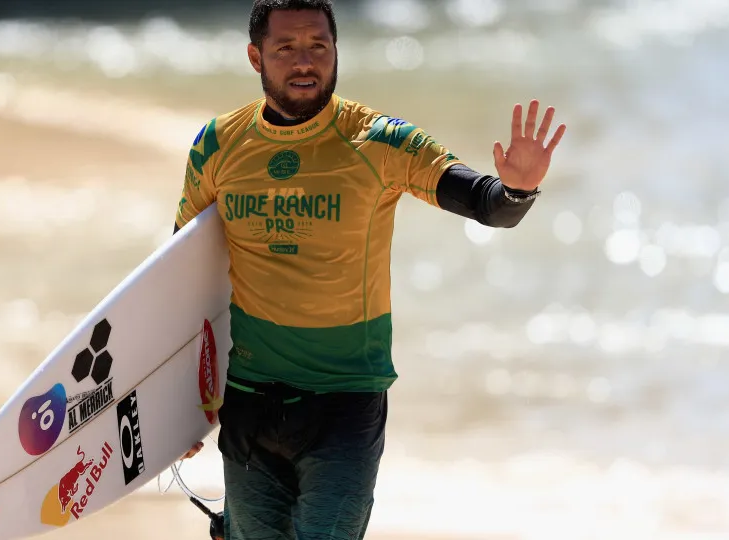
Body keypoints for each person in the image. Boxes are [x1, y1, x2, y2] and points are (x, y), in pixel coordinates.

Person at [172, 1, 566, 538]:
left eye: (319, 46)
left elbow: (486, 203)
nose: (305, 61)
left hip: (344, 404)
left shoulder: (379, 141)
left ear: (336, 51)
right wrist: (179, 407)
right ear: (255, 57)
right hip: (249, 402)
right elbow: (181, 282)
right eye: (286, 48)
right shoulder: (217, 146)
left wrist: (517, 189)